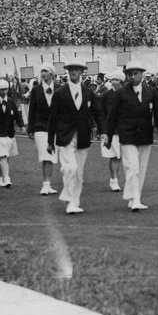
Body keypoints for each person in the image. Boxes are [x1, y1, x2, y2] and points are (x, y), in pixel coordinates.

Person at [103, 62, 158, 211]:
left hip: (145, 134)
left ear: (142, 74)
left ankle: (134, 197)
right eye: (130, 74)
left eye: (136, 73)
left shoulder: (151, 92)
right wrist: (108, 135)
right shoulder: (120, 93)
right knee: (132, 166)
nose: (132, 77)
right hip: (127, 134)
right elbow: (112, 116)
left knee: (141, 168)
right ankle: (135, 199)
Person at [47, 61, 102, 214]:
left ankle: (74, 202)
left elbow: (97, 113)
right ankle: (70, 200)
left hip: (83, 136)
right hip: (65, 136)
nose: (74, 72)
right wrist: (50, 142)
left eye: (77, 70)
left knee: (78, 173)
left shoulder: (89, 92)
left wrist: (103, 131)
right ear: (67, 72)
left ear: (82, 72)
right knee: (70, 168)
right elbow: (52, 118)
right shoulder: (59, 93)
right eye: (71, 69)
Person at [27, 63, 59, 195]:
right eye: (42, 71)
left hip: (56, 128)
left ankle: (48, 184)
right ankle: (45, 184)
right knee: (46, 154)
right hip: (40, 127)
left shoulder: (60, 89)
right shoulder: (36, 90)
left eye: (46, 71)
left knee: (51, 157)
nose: (43, 74)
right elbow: (32, 110)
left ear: (51, 74)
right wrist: (30, 128)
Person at [0, 78, 22, 188]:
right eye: (2, 90)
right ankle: (7, 178)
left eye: (6, 89)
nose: (4, 92)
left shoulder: (10, 102)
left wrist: (22, 125)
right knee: (2, 155)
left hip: (9, 133)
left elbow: (17, 115)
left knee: (4, 156)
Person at [99, 71, 125, 191]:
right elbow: (102, 113)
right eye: (112, 79)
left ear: (121, 81)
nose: (114, 82)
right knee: (113, 156)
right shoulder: (106, 95)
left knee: (120, 156)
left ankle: (116, 179)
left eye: (116, 79)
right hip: (111, 130)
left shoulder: (126, 94)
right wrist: (103, 130)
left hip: (124, 130)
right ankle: (114, 179)